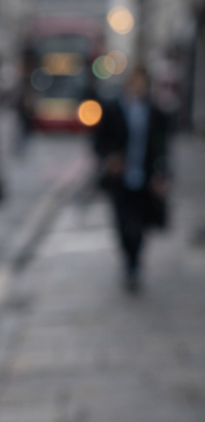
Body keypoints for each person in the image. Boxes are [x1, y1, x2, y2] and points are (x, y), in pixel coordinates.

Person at [94, 66, 170, 292]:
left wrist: (162, 175)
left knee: (140, 227)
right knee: (122, 225)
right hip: (120, 180)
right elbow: (99, 143)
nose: (138, 86)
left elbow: (162, 147)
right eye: (135, 81)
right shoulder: (112, 109)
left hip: (145, 178)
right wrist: (109, 159)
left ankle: (134, 265)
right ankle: (128, 261)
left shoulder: (156, 112)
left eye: (142, 82)